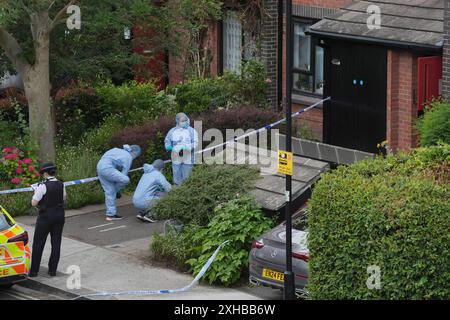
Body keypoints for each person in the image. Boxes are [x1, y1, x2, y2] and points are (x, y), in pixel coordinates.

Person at [29, 162, 66, 277]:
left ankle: (34, 271)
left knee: (38, 243)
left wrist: (36, 192)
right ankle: (52, 270)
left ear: (45, 173)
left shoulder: (42, 186)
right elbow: (64, 198)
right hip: (59, 215)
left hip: (45, 216)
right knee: (56, 243)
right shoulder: (61, 184)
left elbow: (33, 202)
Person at [97, 144, 141, 221]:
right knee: (125, 179)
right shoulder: (128, 157)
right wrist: (118, 188)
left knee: (109, 192)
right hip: (108, 168)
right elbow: (124, 173)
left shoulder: (117, 149)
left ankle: (110, 215)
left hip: (99, 166)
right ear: (135, 154)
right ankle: (116, 191)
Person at [164, 113, 198, 186]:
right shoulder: (172, 131)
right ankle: (178, 192)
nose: (184, 122)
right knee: (176, 176)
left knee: (187, 177)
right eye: (182, 120)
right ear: (177, 121)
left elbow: (195, 142)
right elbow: (167, 141)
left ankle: (187, 191)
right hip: (176, 157)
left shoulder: (191, 131)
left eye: (185, 120)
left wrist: (187, 148)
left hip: (188, 158)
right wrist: (169, 147)